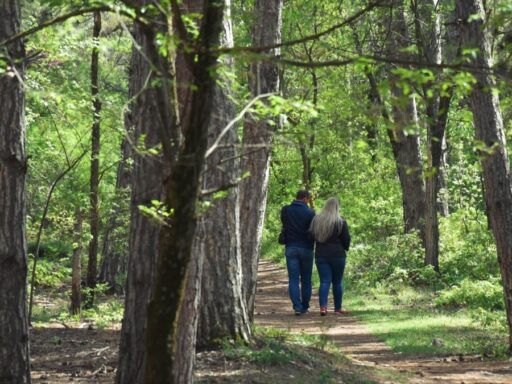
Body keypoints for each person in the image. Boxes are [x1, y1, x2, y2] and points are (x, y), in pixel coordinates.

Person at [309, 197, 351, 316]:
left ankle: (323, 307)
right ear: (337, 207)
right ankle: (337, 308)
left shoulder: (316, 220)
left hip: (321, 254)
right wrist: (344, 248)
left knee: (324, 282)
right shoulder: (340, 222)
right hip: (338, 255)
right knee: (337, 282)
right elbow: (346, 239)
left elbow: (311, 236)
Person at [281, 190, 315, 315]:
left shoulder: (286, 210)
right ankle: (305, 306)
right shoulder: (310, 212)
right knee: (306, 279)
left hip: (291, 247)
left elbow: (284, 224)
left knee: (293, 279)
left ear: (297, 197)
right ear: (306, 198)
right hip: (307, 248)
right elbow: (313, 230)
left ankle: (297, 307)